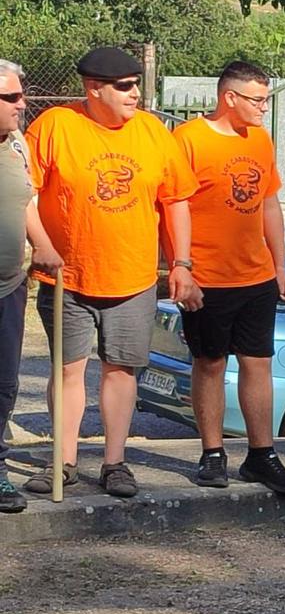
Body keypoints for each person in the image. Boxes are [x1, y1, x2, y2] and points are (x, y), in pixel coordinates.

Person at [24, 45, 201, 499]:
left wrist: (181, 263)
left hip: (134, 278)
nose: (135, 94)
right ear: (93, 89)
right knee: (68, 371)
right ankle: (62, 463)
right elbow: (26, 194)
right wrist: (41, 247)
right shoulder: (56, 126)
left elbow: (176, 200)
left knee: (121, 371)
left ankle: (114, 463)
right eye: (124, 87)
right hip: (69, 277)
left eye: (137, 84)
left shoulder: (153, 132)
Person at [170, 61, 285, 495]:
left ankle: (262, 455)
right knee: (210, 364)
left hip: (256, 276)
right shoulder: (189, 139)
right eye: (257, 100)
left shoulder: (260, 140)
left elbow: (268, 204)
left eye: (266, 99)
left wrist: (280, 265)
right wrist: (181, 267)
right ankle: (212, 454)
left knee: (258, 362)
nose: (264, 108)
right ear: (230, 98)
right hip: (207, 277)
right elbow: (174, 206)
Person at [0, 59, 39, 512]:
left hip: (9, 286)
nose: (21, 104)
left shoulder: (17, 145)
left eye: (20, 94)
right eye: (10, 97)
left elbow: (27, 201)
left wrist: (43, 246)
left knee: (4, 384)